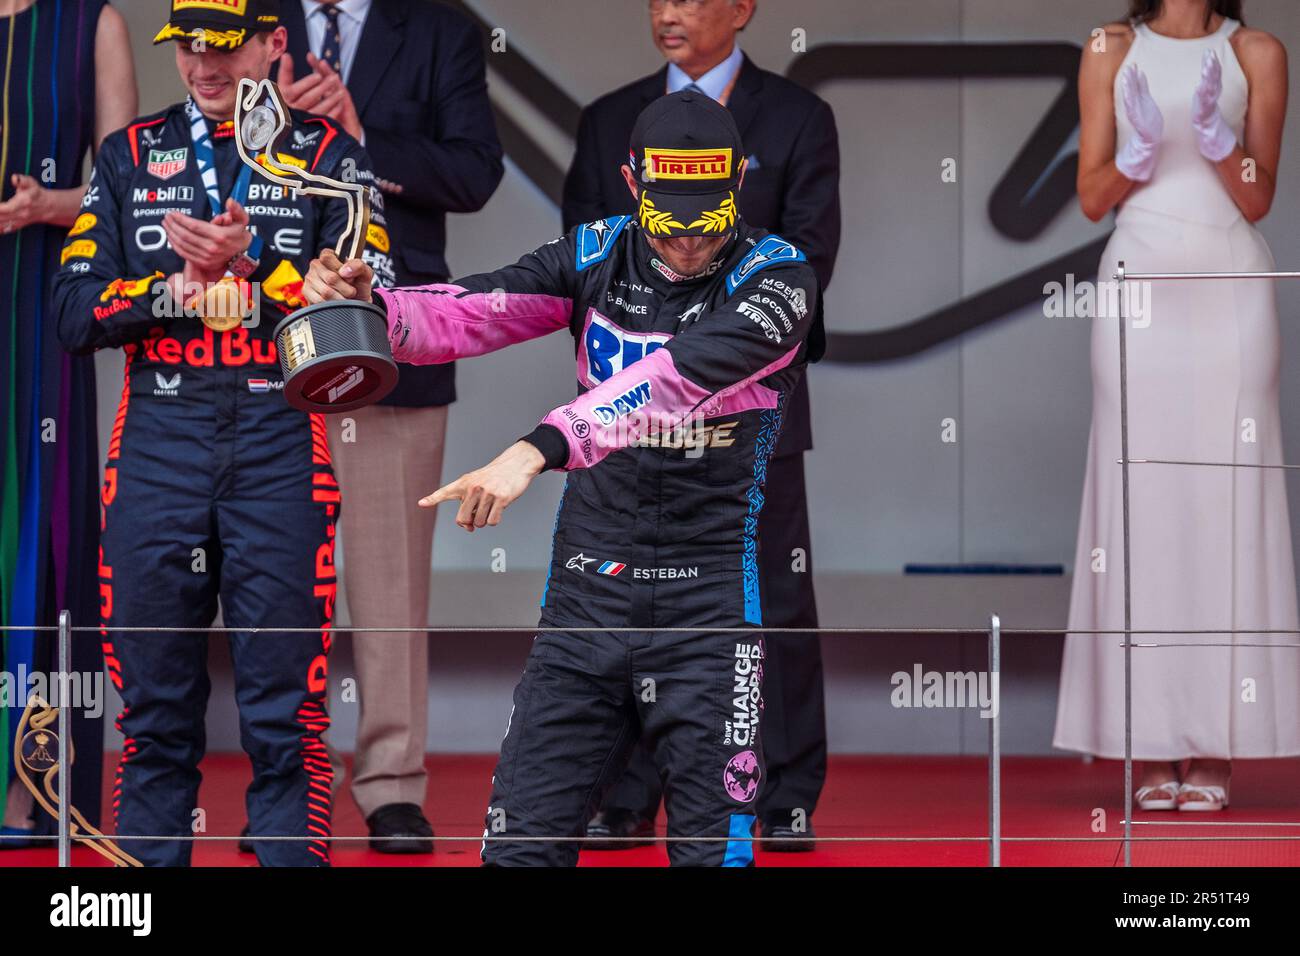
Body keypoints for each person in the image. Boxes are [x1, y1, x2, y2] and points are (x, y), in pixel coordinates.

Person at [305, 91, 824, 866]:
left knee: (715, 853)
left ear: (739, 182)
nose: (685, 238)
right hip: (587, 593)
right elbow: (479, 308)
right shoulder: (593, 252)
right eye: (667, 212)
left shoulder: (779, 278)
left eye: (705, 214)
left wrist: (539, 446)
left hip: (710, 603)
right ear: (631, 180)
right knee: (520, 848)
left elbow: (675, 378)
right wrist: (373, 306)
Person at [52, 0, 387, 866]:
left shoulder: (330, 158)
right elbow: (72, 310)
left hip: (282, 439)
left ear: (276, 43)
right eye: (188, 47)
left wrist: (256, 273)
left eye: (225, 47)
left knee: (287, 719)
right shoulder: (128, 157)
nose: (204, 68)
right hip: (160, 441)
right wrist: (175, 287)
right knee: (155, 713)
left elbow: (371, 314)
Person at [562, 0, 838, 849]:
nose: (669, 13)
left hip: (751, 414)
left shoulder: (797, 116)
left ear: (743, 8)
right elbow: (581, 262)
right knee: (623, 600)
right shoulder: (610, 118)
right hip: (626, 419)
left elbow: (810, 261)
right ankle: (626, 791)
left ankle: (780, 789)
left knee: (770, 597)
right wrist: (643, 374)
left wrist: (705, 354)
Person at [275, 0, 504, 855]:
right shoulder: (249, 15)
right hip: (256, 341)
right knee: (267, 570)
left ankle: (392, 783)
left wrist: (358, 137)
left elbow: (475, 173)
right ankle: (282, 780)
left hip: (388, 340)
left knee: (390, 582)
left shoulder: (441, 26)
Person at [1055, 0, 1295, 812]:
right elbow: (1092, 196)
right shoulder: (1108, 48)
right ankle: (1148, 739)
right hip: (1141, 284)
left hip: (1229, 289)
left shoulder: (1259, 51)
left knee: (1226, 500)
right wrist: (1140, 154)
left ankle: (1218, 745)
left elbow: (1259, 198)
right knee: (1143, 504)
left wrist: (1225, 150)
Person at [0, 0, 136, 850]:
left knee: (40, 534)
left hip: (40, 305)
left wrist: (49, 204)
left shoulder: (94, 22)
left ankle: (30, 785)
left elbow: (123, 189)